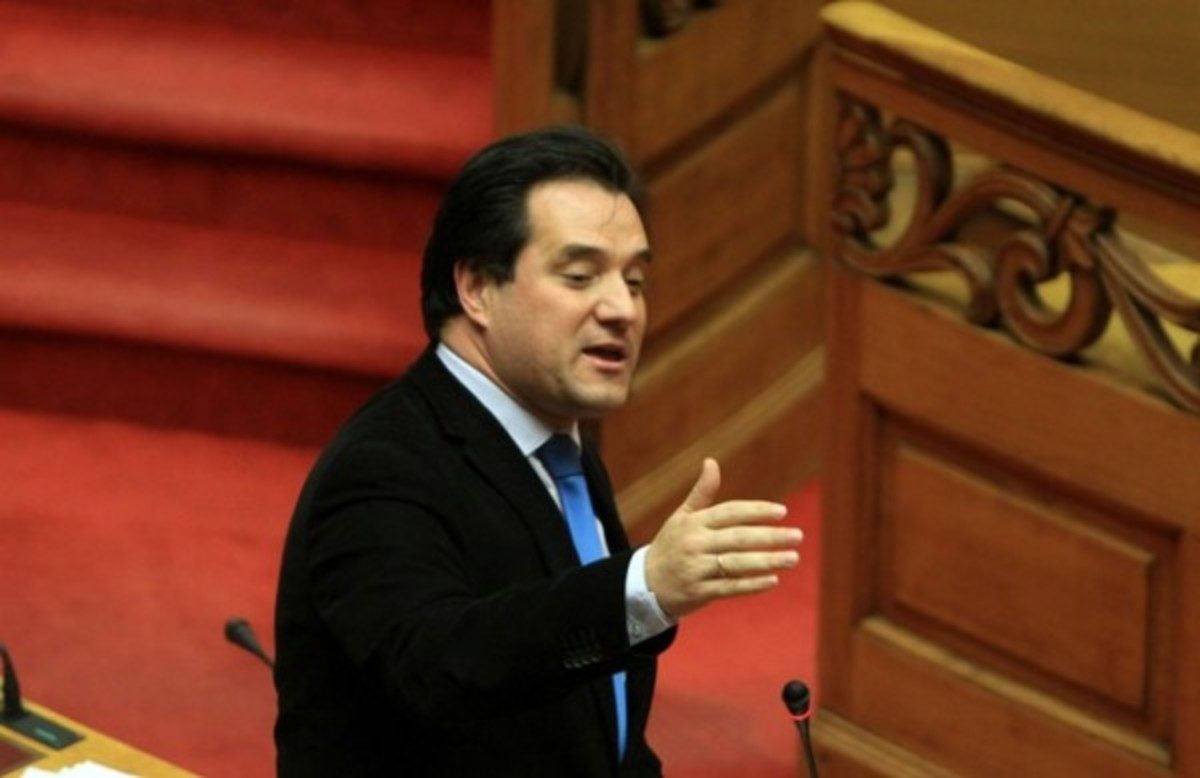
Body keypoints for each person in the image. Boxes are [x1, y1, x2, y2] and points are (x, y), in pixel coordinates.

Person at [273, 126, 803, 777]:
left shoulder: (560, 450)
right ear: (476, 287)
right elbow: (438, 666)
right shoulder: (384, 465)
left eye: (635, 280)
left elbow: (595, 733)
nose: (622, 309)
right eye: (580, 276)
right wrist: (642, 587)